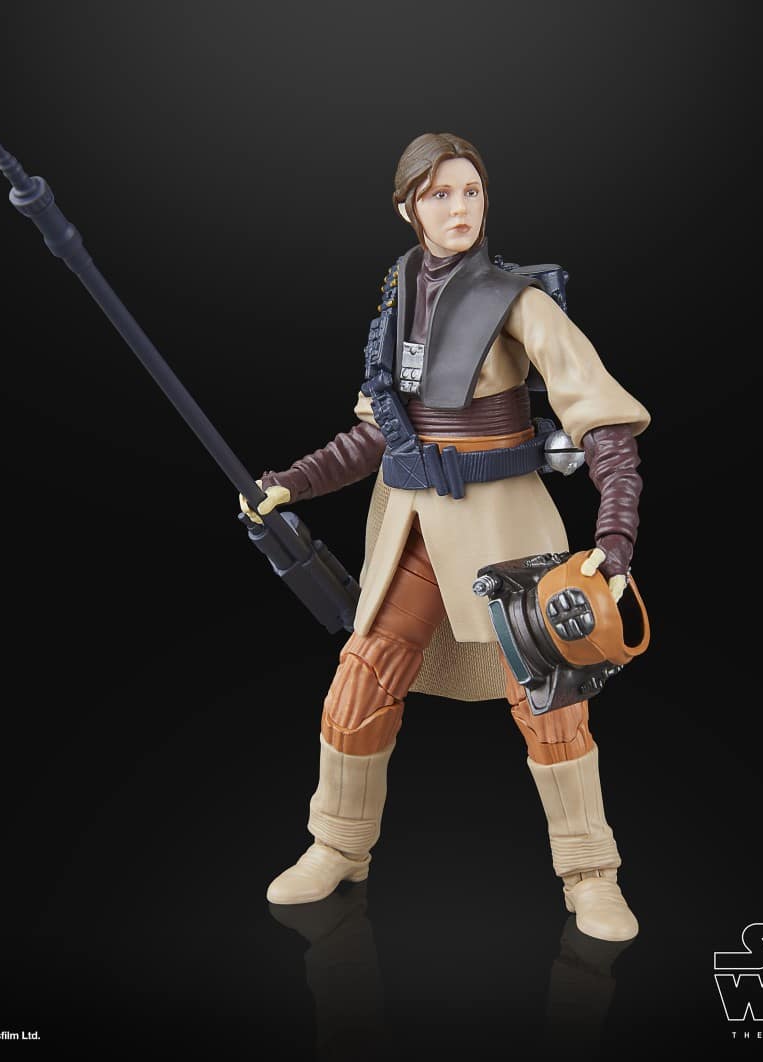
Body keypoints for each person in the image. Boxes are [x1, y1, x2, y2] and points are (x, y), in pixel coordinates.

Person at [242, 133, 650, 941]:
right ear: (408, 208)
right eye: (438, 194)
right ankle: (338, 845)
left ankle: (590, 872)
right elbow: (375, 433)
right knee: (361, 682)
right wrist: (292, 481)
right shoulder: (396, 298)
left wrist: (615, 532)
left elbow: (603, 421)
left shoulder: (519, 302)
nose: (458, 208)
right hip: (415, 529)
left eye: (470, 191)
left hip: (507, 529)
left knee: (551, 701)